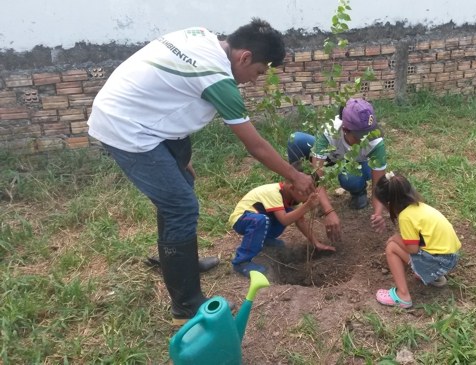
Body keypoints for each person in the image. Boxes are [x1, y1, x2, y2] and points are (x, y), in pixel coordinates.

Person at [87, 18, 315, 325]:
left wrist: (179, 159)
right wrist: (296, 175)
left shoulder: (203, 37)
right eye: (258, 72)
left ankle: (181, 264)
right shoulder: (218, 78)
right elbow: (256, 146)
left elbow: (175, 93)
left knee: (181, 186)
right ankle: (187, 304)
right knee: (181, 206)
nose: (254, 80)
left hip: (148, 119)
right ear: (243, 57)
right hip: (127, 126)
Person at [287, 98, 387, 242]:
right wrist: (329, 211)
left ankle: (358, 192)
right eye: (360, 136)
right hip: (331, 156)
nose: (366, 139)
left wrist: (378, 213)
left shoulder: (376, 142)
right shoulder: (329, 131)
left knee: (349, 178)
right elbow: (318, 178)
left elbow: (379, 185)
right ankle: (303, 192)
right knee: (294, 140)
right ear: (345, 130)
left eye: (369, 133)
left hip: (356, 164)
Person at [374, 172, 461, 308]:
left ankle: (403, 296)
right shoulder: (419, 207)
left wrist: (395, 238)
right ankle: (434, 276)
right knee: (402, 243)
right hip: (451, 257)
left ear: (389, 203)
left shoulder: (405, 217)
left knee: (391, 247)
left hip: (440, 262)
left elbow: (412, 249)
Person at [229, 181, 336, 277]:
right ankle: (241, 262)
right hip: (242, 219)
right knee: (263, 220)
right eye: (306, 192)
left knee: (288, 213)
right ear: (292, 188)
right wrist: (307, 206)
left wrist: (315, 242)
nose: (308, 197)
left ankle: (265, 241)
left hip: (257, 219)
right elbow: (284, 220)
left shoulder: (289, 197)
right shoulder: (273, 192)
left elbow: (300, 220)